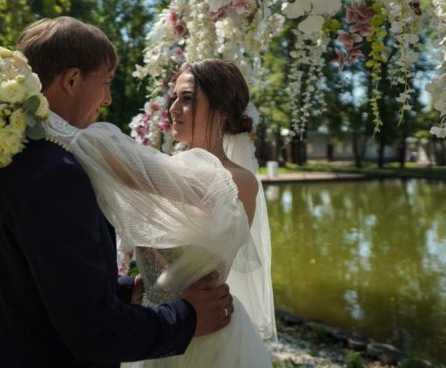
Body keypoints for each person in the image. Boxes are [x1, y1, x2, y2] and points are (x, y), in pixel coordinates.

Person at [0, 17, 234, 368]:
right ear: (72, 80)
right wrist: (187, 317)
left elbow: (28, 277)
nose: (107, 99)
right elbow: (96, 334)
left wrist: (124, 291)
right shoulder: (55, 174)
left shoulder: (4, 151)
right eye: (105, 83)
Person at [46, 59, 275, 368]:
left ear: (221, 108)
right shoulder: (167, 170)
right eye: (174, 98)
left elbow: (120, 166)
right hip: (155, 326)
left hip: (204, 338)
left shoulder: (237, 180)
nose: (174, 108)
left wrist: (45, 118)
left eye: (188, 98)